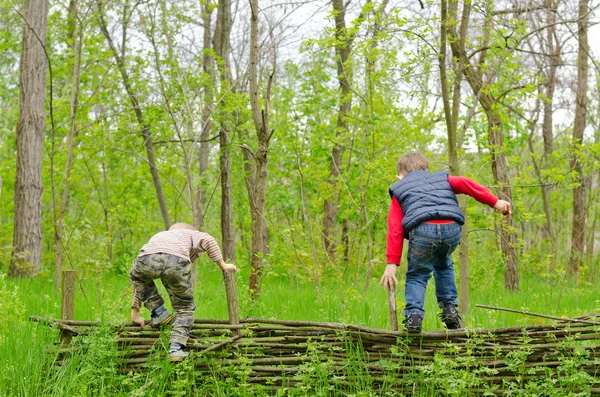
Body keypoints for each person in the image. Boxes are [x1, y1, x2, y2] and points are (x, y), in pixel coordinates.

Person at [380, 152, 511, 332]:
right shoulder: (442, 178)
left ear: (400, 175)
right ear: (427, 169)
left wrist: (392, 263)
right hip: (451, 227)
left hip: (422, 230)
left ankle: (414, 317)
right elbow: (467, 184)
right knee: (443, 265)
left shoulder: (400, 188)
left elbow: (395, 228)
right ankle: (449, 309)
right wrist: (495, 202)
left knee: (418, 273)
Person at [129, 222, 236, 361]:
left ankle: (158, 312)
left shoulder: (159, 236)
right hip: (176, 261)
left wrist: (135, 312)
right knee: (184, 308)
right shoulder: (191, 234)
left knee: (137, 277)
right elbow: (208, 240)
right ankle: (176, 349)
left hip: (146, 258)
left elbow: (138, 285)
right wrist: (223, 265)